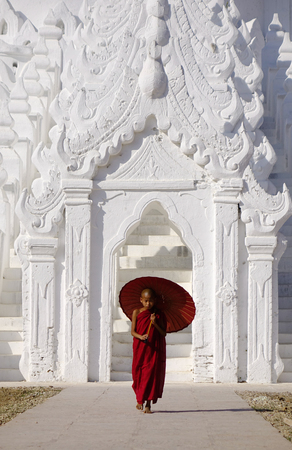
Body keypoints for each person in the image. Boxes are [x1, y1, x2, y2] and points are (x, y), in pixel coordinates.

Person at [131, 288, 166, 414]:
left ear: (155, 300)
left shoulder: (159, 314)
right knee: (138, 371)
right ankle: (139, 398)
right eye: (146, 301)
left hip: (154, 348)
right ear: (141, 300)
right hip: (141, 347)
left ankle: (148, 404)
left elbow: (163, 333)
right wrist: (141, 336)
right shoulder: (136, 312)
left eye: (151, 301)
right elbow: (132, 331)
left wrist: (154, 323)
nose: (148, 304)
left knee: (151, 374)